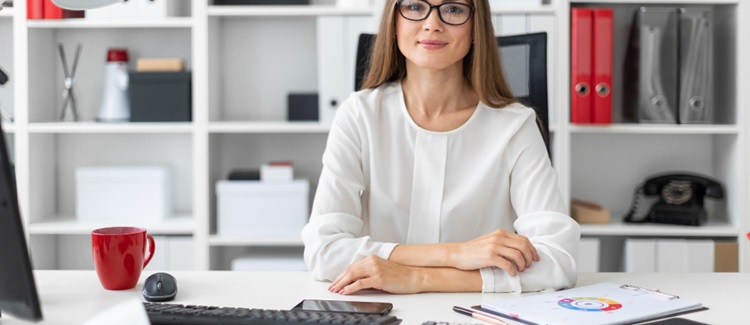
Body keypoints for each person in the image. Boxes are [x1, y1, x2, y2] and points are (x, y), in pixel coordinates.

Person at [302, 0, 580, 294]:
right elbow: (323, 250)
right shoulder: (359, 115)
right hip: (377, 309)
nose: (432, 24)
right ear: (394, 23)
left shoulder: (515, 126)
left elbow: (559, 260)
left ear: (476, 28)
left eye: (454, 10)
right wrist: (456, 254)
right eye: (414, 6)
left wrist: (417, 278)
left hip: (474, 313)